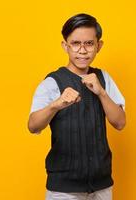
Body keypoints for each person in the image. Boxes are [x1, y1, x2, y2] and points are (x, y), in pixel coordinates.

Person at [28, 13, 126, 200]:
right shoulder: (52, 82)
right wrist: (56, 105)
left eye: (89, 43)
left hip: (102, 183)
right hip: (64, 188)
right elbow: (33, 126)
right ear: (65, 46)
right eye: (75, 43)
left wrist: (101, 92)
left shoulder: (103, 79)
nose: (82, 50)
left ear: (99, 45)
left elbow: (120, 123)